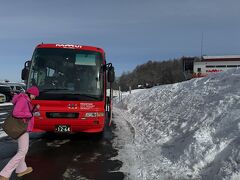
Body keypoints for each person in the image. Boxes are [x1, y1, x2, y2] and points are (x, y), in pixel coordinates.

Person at [0, 86, 40, 180]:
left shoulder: (25, 99)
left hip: (23, 127)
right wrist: (31, 114)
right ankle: (4, 173)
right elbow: (16, 112)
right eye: (34, 95)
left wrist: (34, 110)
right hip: (22, 128)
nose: (35, 97)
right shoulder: (23, 99)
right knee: (23, 151)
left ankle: (21, 169)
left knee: (22, 150)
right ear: (30, 93)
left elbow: (26, 111)